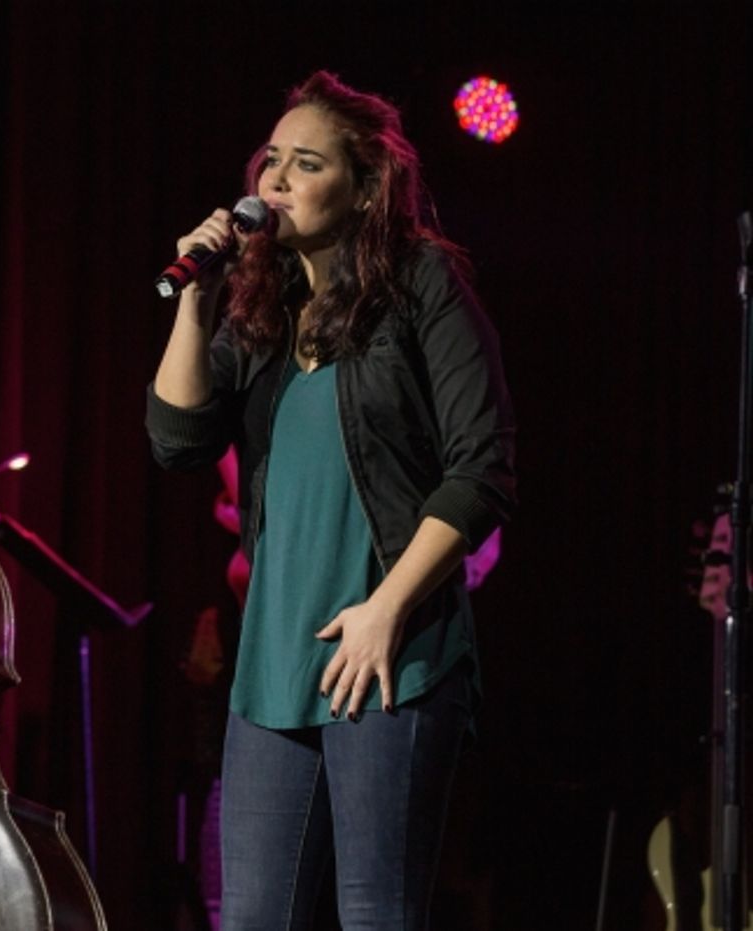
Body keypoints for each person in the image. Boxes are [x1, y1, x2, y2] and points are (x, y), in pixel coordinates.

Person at [146, 71, 517, 929]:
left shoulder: (423, 282)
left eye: (305, 163)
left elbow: (482, 467)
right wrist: (196, 304)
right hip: (275, 660)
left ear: (364, 189)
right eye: (270, 160)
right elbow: (176, 440)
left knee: (375, 915)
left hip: (388, 652)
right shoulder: (262, 311)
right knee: (249, 918)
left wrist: (387, 609)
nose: (273, 181)